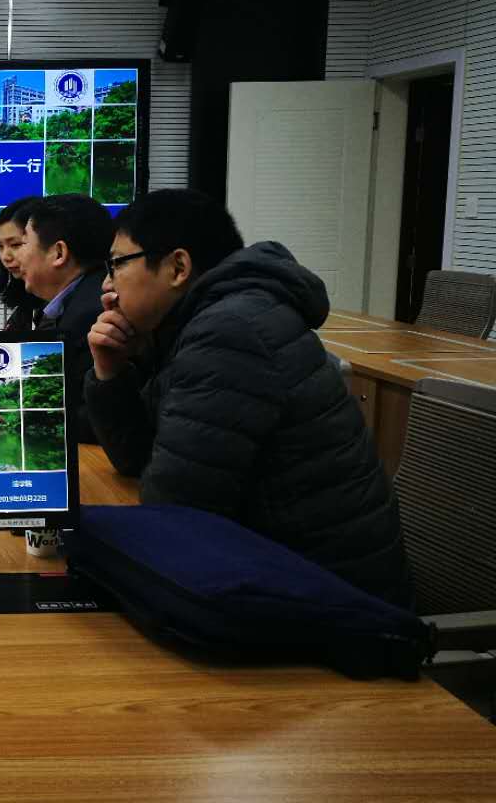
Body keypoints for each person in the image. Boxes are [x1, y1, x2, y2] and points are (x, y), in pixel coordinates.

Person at [84, 189, 409, 606]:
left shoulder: (229, 333)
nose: (107, 285)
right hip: (293, 578)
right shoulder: (203, 323)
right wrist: (111, 371)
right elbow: (135, 459)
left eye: (116, 264)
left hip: (334, 607)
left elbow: (174, 515)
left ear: (178, 267)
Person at [14, 193, 114, 442]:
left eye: (22, 244)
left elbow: (90, 418)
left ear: (59, 253)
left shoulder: (89, 316)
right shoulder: (81, 298)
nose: (16, 257)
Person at [0, 196, 44, 334]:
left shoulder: (67, 306)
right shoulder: (26, 305)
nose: (5, 256)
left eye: (15, 244)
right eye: (0, 246)